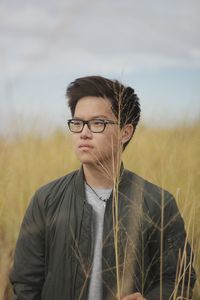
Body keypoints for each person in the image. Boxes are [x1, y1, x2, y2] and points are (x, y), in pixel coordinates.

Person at [10, 76, 196, 300]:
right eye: (77, 123)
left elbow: (179, 279)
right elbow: (25, 284)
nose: (83, 133)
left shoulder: (159, 203)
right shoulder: (46, 200)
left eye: (98, 123)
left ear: (125, 132)